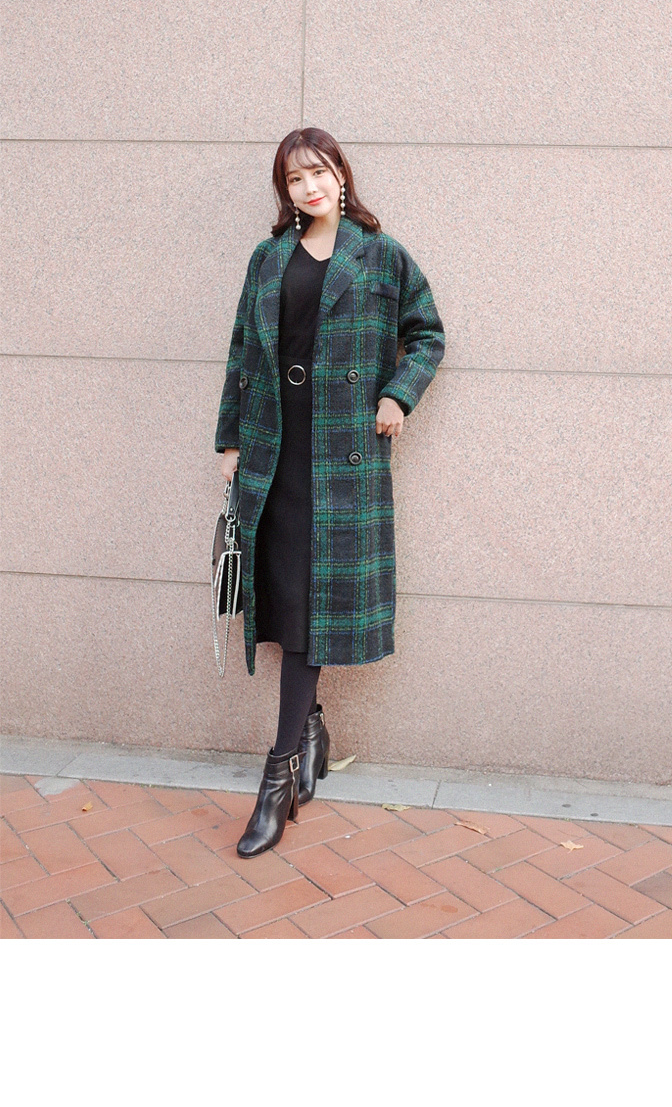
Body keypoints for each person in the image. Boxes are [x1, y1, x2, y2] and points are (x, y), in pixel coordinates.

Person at [215, 126, 445, 857]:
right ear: (283, 191)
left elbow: (428, 335)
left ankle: (278, 774)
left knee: (310, 604)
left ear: (341, 175)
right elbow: (242, 351)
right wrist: (230, 440)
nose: (308, 187)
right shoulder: (268, 258)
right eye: (294, 179)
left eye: (318, 173)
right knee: (288, 600)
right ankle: (310, 730)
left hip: (341, 454)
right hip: (275, 447)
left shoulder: (381, 255)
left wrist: (398, 395)